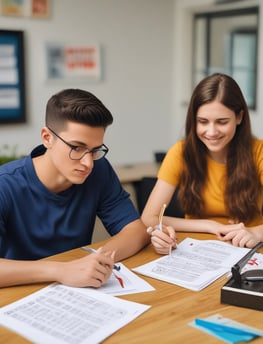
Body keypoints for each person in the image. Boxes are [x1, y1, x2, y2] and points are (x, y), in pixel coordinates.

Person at [0, 88, 150, 288]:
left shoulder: (99, 170)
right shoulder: (5, 185)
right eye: (76, 148)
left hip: (79, 290)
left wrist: (96, 261)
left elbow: (135, 230)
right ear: (47, 138)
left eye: (95, 150)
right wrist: (61, 270)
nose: (88, 162)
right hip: (20, 293)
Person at [142, 73, 263, 254]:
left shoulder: (258, 151)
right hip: (196, 249)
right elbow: (149, 218)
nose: (211, 132)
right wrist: (209, 225)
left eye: (222, 122)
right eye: (203, 122)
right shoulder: (181, 152)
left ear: (239, 117)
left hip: (248, 249)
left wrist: (257, 232)